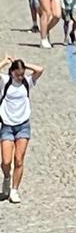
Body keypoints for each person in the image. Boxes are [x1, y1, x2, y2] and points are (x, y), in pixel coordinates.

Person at [1, 57, 44, 204]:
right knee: (6, 161)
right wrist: (5, 61)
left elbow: (40, 69)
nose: (20, 77)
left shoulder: (27, 82)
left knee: (19, 159)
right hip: (7, 125)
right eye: (17, 74)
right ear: (12, 72)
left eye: (22, 73)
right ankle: (7, 178)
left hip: (23, 125)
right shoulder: (5, 82)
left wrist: (25, 65)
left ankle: (14, 190)